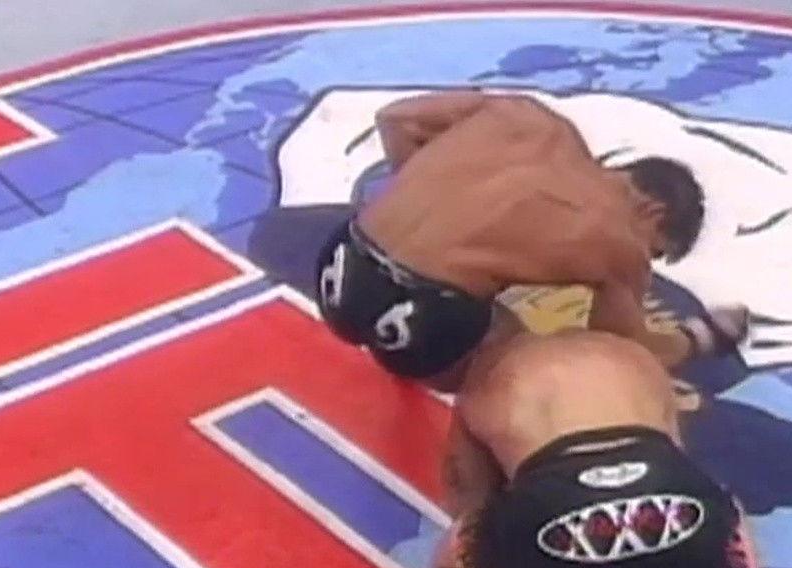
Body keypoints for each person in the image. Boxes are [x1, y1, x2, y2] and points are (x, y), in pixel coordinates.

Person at [279, 72, 792, 547]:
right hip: (530, 350)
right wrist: (303, 220)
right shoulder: (640, 146)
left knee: (550, 360)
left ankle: (490, 519)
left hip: (370, 276)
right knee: (548, 379)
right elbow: (341, 112)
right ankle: (478, 542)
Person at [306, 90, 746, 389]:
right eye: (654, 249)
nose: (645, 261)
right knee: (532, 359)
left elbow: (396, 119)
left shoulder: (525, 117)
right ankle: (481, 482)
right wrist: (702, 338)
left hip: (340, 266)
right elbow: (624, 348)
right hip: (420, 325)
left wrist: (419, 189)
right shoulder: (616, 240)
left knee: (477, 292)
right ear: (653, 211)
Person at [432, 327, 755, 568]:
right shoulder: (635, 357)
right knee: (726, 521)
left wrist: (519, 548)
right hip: (662, 490)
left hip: (557, 510)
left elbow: (465, 494)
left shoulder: (485, 379)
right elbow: (675, 458)